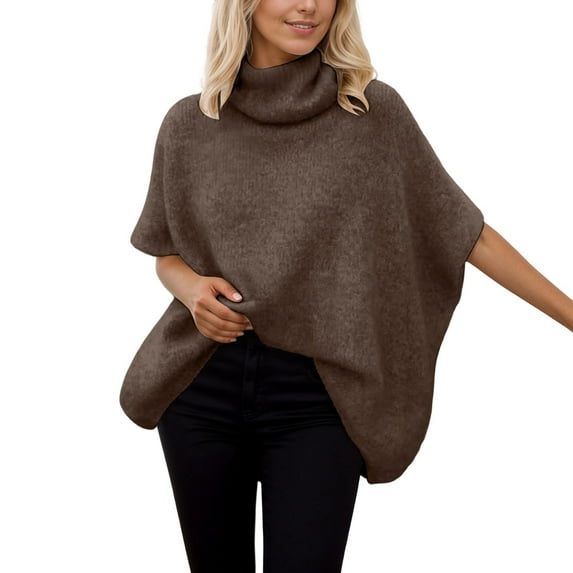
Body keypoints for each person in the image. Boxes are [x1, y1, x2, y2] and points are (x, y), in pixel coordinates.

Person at [121, 1, 573, 571]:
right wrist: (192, 292)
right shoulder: (190, 123)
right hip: (201, 387)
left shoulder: (370, 113)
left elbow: (463, 231)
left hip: (318, 397)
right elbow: (166, 252)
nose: (309, 5)